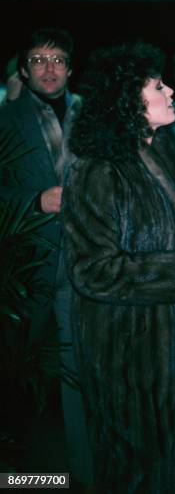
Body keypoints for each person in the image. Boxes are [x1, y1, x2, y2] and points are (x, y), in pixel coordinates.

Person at [62, 42, 175, 494]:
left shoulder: (158, 148)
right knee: (134, 464)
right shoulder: (97, 170)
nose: (170, 91)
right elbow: (90, 271)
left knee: (174, 456)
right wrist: (171, 265)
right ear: (128, 100)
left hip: (170, 340)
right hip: (125, 349)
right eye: (158, 85)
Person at [0, 27, 93, 489]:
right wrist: (35, 201)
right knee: (19, 367)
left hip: (84, 260)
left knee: (78, 363)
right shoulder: (4, 120)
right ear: (24, 69)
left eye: (58, 59)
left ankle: (80, 468)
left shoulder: (92, 116)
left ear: (71, 68)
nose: (49, 68)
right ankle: (21, 469)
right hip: (27, 265)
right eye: (38, 59)